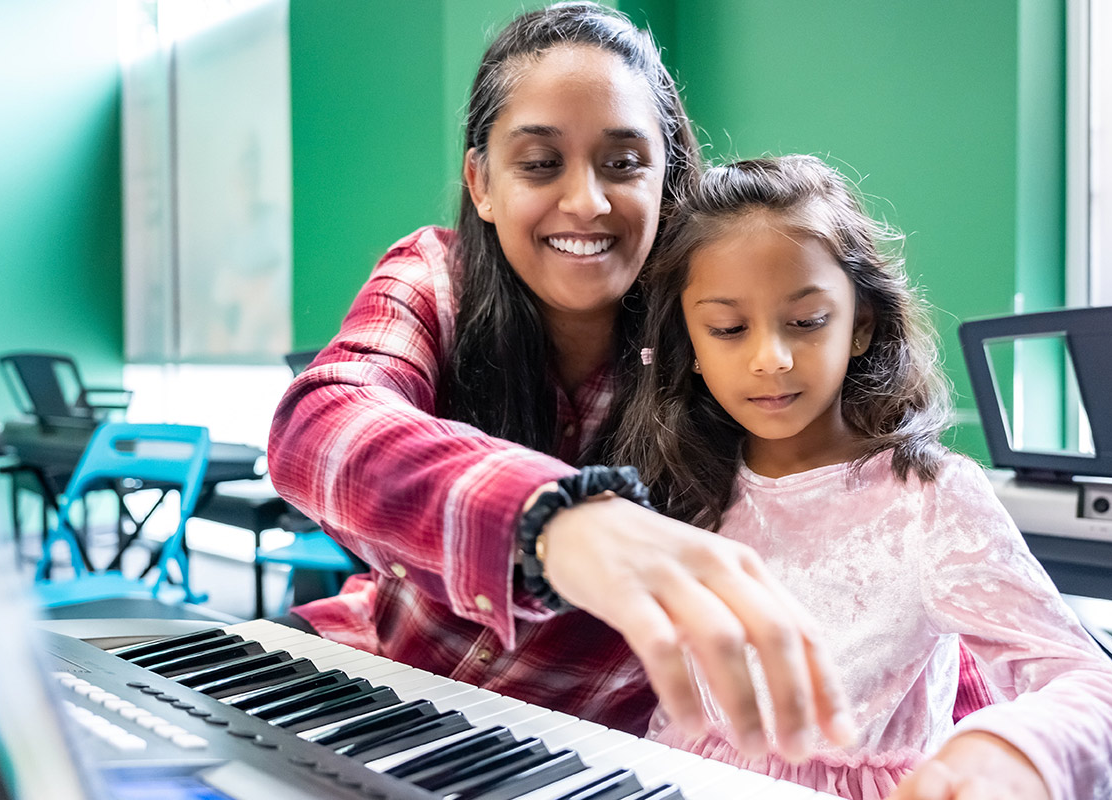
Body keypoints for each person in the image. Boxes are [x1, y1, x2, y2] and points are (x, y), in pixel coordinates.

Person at [267, 2, 855, 762]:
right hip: (376, 667)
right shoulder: (436, 277)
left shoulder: (729, 338)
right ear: (481, 181)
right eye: (541, 164)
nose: (587, 202)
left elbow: (898, 559)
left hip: (562, 754)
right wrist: (552, 519)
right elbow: (320, 423)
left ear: (669, 178)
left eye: (623, 163)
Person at [616, 155, 1112, 800]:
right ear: (692, 347)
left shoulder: (928, 501)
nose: (771, 358)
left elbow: (1104, 689)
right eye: (729, 329)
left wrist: (1015, 757)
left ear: (860, 327)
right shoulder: (682, 484)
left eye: (808, 321)